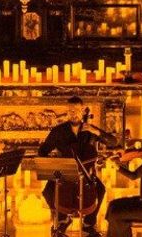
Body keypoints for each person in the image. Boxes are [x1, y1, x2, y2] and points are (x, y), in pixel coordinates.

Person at [38, 97, 110, 237]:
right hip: (65, 174)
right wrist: (52, 163)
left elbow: (113, 142)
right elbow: (43, 150)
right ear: (67, 112)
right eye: (70, 111)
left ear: (82, 111)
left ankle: (88, 224)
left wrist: (97, 132)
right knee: (48, 192)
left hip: (86, 175)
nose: (73, 114)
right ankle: (62, 221)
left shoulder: (89, 130)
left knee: (101, 189)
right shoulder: (58, 131)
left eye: (77, 110)